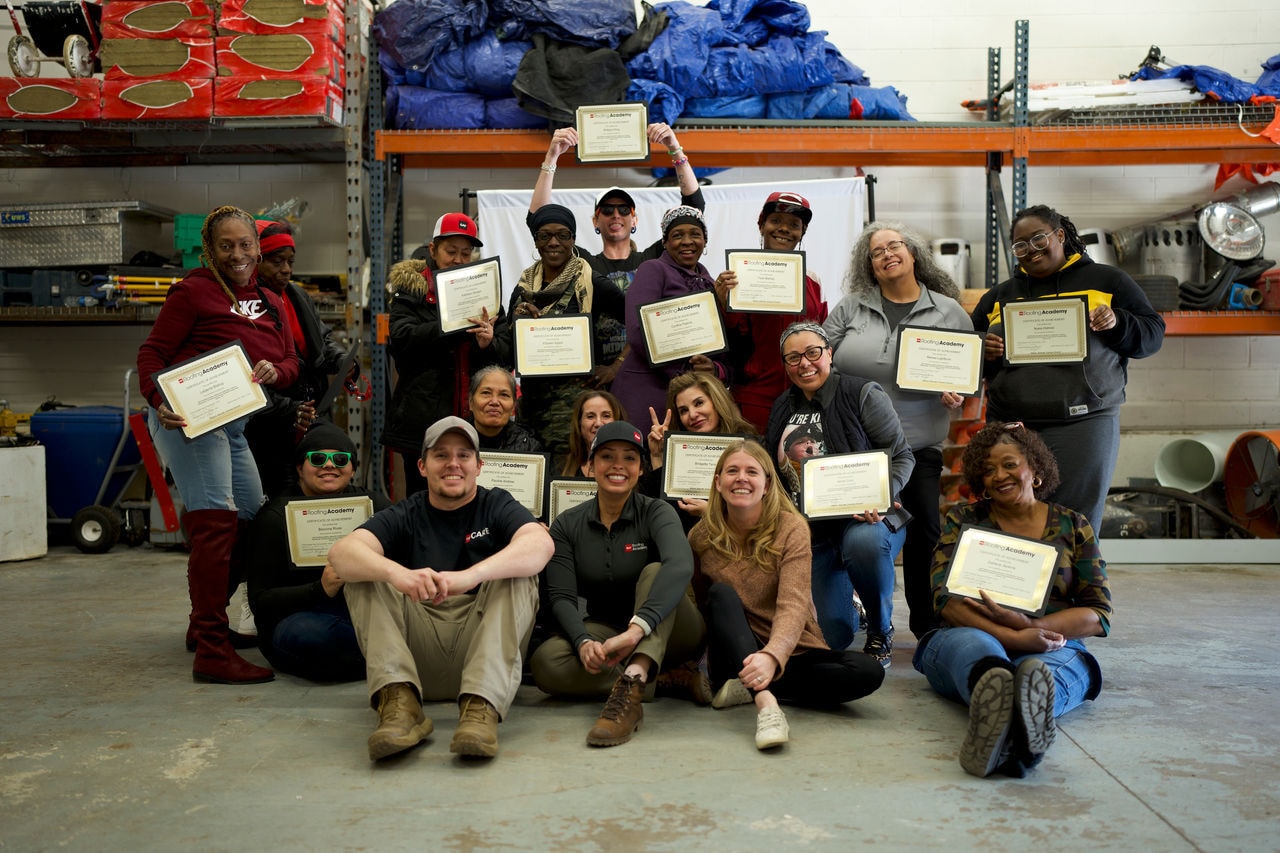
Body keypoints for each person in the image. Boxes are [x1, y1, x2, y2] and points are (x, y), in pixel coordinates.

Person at [328, 416, 554, 762]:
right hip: (417, 658)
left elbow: (540, 544)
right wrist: (399, 575)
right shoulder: (406, 512)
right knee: (363, 573)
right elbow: (341, 554)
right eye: (441, 455)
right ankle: (400, 706)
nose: (453, 464)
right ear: (422, 466)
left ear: (479, 466)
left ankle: (481, 709)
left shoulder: (496, 504)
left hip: (481, 653)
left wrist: (470, 576)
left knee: (519, 572)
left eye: (464, 455)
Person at [137, 205, 299, 685]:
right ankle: (211, 646)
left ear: (257, 246)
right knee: (216, 520)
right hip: (187, 417)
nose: (238, 254)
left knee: (252, 516)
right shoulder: (192, 292)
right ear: (211, 249)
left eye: (245, 244)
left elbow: (290, 362)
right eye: (225, 245)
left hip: (232, 423)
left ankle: (202, 623)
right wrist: (157, 396)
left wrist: (276, 372)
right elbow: (152, 354)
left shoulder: (271, 301)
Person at [912, 422, 1111, 778]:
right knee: (977, 648)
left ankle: (1007, 723)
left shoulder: (1073, 525)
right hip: (970, 633)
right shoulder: (963, 520)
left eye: (1009, 464)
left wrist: (1034, 627)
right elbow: (947, 602)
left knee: (1047, 670)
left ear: (1034, 468)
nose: (998, 476)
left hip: (1050, 641)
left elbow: (1097, 614)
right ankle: (1014, 722)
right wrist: (1016, 638)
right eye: (987, 470)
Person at [971, 204, 1165, 532]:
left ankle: (1074, 584)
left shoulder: (1107, 281)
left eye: (1038, 239)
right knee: (1011, 523)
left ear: (1059, 235)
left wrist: (1118, 322)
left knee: (1072, 525)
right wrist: (982, 350)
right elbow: (966, 353)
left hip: (1084, 424)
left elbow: (1152, 335)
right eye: (1020, 246)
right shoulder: (999, 297)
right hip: (1013, 426)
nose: (1030, 251)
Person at [825, 221, 974, 641]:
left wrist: (957, 395)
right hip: (857, 448)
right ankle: (863, 617)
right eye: (877, 252)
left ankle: (927, 626)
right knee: (861, 534)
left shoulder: (948, 311)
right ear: (869, 265)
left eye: (896, 246)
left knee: (925, 532)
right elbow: (819, 356)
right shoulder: (851, 307)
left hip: (919, 443)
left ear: (913, 255)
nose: (888, 254)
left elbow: (967, 374)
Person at [689, 441, 886, 750]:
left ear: (767, 485)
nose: (741, 478)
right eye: (732, 471)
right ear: (718, 482)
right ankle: (766, 703)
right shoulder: (701, 537)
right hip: (735, 650)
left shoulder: (790, 528)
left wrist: (772, 657)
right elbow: (702, 605)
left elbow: (794, 603)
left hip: (789, 648)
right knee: (721, 594)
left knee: (867, 671)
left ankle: (749, 685)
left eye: (752, 472)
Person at [530, 421, 707, 747]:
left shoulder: (657, 512)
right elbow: (561, 596)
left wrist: (637, 630)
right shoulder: (567, 524)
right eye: (607, 456)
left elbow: (681, 565)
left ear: (640, 470)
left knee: (656, 571)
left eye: (629, 458)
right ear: (589, 465)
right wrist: (583, 642)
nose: (618, 466)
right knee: (546, 663)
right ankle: (662, 680)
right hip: (609, 631)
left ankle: (633, 684)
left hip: (674, 630)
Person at [765, 322, 915, 666]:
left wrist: (881, 494)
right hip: (813, 531)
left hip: (866, 520)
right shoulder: (781, 407)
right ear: (785, 365)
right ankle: (854, 609)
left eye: (813, 353)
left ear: (829, 353)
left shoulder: (863, 393)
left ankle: (880, 629)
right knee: (831, 637)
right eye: (793, 358)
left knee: (863, 543)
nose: (804, 364)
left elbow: (903, 455)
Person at [245, 423, 389, 682]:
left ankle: (380, 654)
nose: (329, 465)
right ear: (300, 468)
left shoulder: (373, 506)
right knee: (310, 636)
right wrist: (319, 589)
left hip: (359, 612)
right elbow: (261, 601)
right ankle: (391, 656)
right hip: (298, 618)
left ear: (353, 468)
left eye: (340, 459)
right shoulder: (275, 517)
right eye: (318, 458)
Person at [383, 213, 510, 497]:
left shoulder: (484, 289)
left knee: (471, 497)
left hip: (473, 420)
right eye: (450, 251)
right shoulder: (411, 289)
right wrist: (451, 325)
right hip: (423, 418)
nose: (458, 259)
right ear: (432, 250)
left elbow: (508, 353)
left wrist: (488, 343)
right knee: (422, 497)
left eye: (466, 253)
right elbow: (402, 340)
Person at [245, 219, 355, 498]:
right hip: (270, 426)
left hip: (311, 414)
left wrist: (342, 361)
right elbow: (247, 379)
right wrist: (288, 409)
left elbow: (321, 342)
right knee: (276, 496)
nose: (286, 270)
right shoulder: (248, 305)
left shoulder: (296, 296)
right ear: (257, 261)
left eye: (290, 262)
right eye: (277, 261)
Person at [509, 203, 624, 459]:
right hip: (532, 406)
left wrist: (616, 367)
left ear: (573, 239)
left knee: (571, 478)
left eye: (562, 235)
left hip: (574, 411)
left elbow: (640, 324)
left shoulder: (591, 281)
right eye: (545, 235)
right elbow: (507, 348)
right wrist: (517, 320)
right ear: (536, 241)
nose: (553, 242)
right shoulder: (523, 288)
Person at [717, 191, 830, 433]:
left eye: (794, 224)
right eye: (776, 221)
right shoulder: (738, 276)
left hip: (805, 399)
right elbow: (729, 339)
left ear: (803, 232)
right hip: (754, 400)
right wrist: (722, 303)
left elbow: (823, 336)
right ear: (761, 225)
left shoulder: (814, 281)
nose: (784, 229)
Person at [613, 206, 736, 424]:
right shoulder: (653, 269)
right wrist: (686, 375)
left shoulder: (712, 284)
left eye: (695, 234)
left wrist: (713, 369)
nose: (687, 241)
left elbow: (723, 348)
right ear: (665, 243)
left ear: (705, 241)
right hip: (647, 390)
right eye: (677, 235)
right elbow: (637, 332)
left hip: (692, 399)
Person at [644, 371, 756, 527]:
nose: (693, 414)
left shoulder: (750, 445)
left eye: (698, 403)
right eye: (683, 410)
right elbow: (660, 516)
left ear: (717, 401)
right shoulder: (678, 452)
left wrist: (711, 513)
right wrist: (657, 456)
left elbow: (761, 511)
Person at [465, 365, 542, 453]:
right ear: (471, 402)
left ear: (513, 406)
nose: (494, 402)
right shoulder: (451, 441)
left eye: (504, 395)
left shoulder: (530, 447)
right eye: (486, 393)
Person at [560, 389, 624, 477]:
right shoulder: (561, 467)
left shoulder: (633, 466)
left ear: (618, 421)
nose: (598, 423)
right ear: (579, 424)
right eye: (590, 416)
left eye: (606, 416)